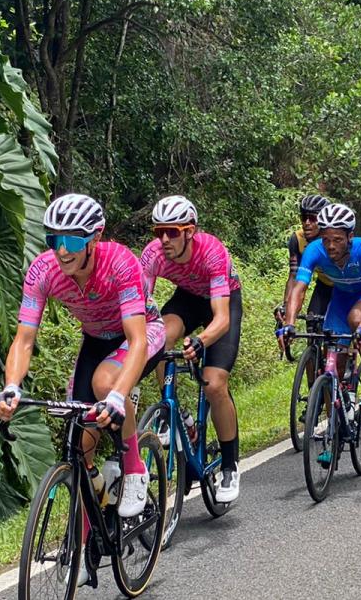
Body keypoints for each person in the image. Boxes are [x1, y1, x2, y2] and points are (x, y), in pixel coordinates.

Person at [0, 194, 166, 520]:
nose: (61, 250)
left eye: (71, 240)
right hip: (96, 340)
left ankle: (134, 468)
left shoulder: (119, 262)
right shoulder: (43, 271)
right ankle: (84, 550)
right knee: (78, 445)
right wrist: (12, 387)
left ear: (94, 238)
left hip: (142, 332)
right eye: (54, 239)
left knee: (104, 382)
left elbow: (137, 339)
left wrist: (116, 397)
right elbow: (24, 340)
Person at [140, 196, 243, 502]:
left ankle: (229, 465)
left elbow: (222, 318)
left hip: (221, 304)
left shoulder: (211, 250)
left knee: (214, 383)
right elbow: (139, 307)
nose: (164, 239)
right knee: (159, 337)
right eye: (159, 231)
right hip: (186, 299)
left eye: (172, 232)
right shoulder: (153, 254)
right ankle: (176, 414)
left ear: (190, 231)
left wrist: (201, 341)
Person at [278, 203, 361, 410]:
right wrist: (289, 324)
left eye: (337, 240)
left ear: (349, 237)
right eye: (326, 240)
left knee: (356, 320)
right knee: (333, 357)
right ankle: (338, 414)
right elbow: (298, 289)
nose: (331, 246)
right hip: (341, 297)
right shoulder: (314, 250)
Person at [285, 195, 333, 317]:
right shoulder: (297, 239)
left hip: (346, 287)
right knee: (312, 321)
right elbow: (294, 276)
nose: (307, 223)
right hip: (324, 286)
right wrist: (286, 306)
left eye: (312, 218)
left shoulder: (335, 239)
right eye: (303, 217)